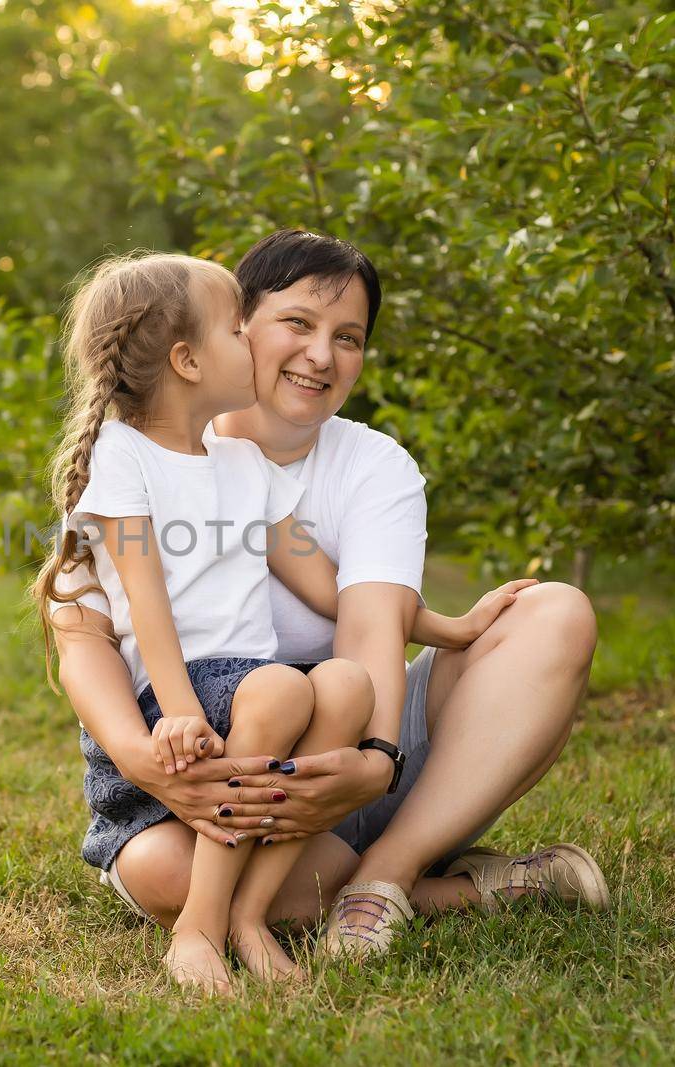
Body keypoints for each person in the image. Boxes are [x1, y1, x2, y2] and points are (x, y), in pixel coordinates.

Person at [49, 229, 608, 965]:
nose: (321, 354)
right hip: (190, 745)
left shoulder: (310, 467)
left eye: (349, 337)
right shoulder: (124, 455)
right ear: (218, 340)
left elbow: (356, 606)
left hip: (321, 746)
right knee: (168, 867)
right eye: (294, 324)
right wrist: (147, 751)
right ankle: (455, 890)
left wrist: (427, 659)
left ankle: (373, 878)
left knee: (356, 675)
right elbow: (96, 629)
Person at [31, 251, 377, 994]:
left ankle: (246, 916)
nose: (253, 338)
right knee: (284, 691)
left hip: (246, 689)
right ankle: (196, 926)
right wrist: (179, 715)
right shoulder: (123, 457)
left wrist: (442, 623)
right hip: (169, 706)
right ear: (187, 360)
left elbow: (331, 585)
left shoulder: (243, 464)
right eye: (235, 327)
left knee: (347, 683)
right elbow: (145, 604)